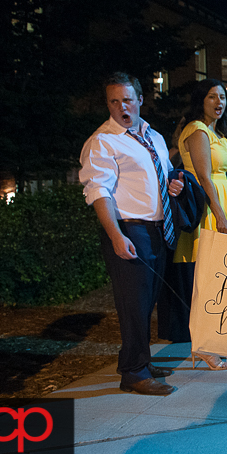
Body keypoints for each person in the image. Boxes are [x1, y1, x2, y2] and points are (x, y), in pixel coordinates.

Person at [79, 72, 183, 396]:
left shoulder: (154, 136)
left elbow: (160, 176)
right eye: (114, 101)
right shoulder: (103, 141)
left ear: (140, 99)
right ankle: (134, 373)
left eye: (127, 99)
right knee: (133, 304)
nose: (121, 106)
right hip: (129, 229)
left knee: (147, 301)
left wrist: (173, 185)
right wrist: (115, 235)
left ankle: (139, 360)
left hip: (157, 228)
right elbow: (99, 192)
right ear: (108, 104)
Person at [168, 78, 227, 369]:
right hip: (208, 206)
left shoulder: (217, 134)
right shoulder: (197, 130)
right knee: (206, 279)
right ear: (200, 100)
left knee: (222, 277)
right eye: (213, 97)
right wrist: (219, 213)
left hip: (223, 202)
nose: (220, 103)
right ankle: (202, 345)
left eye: (223, 98)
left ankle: (213, 340)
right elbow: (204, 176)